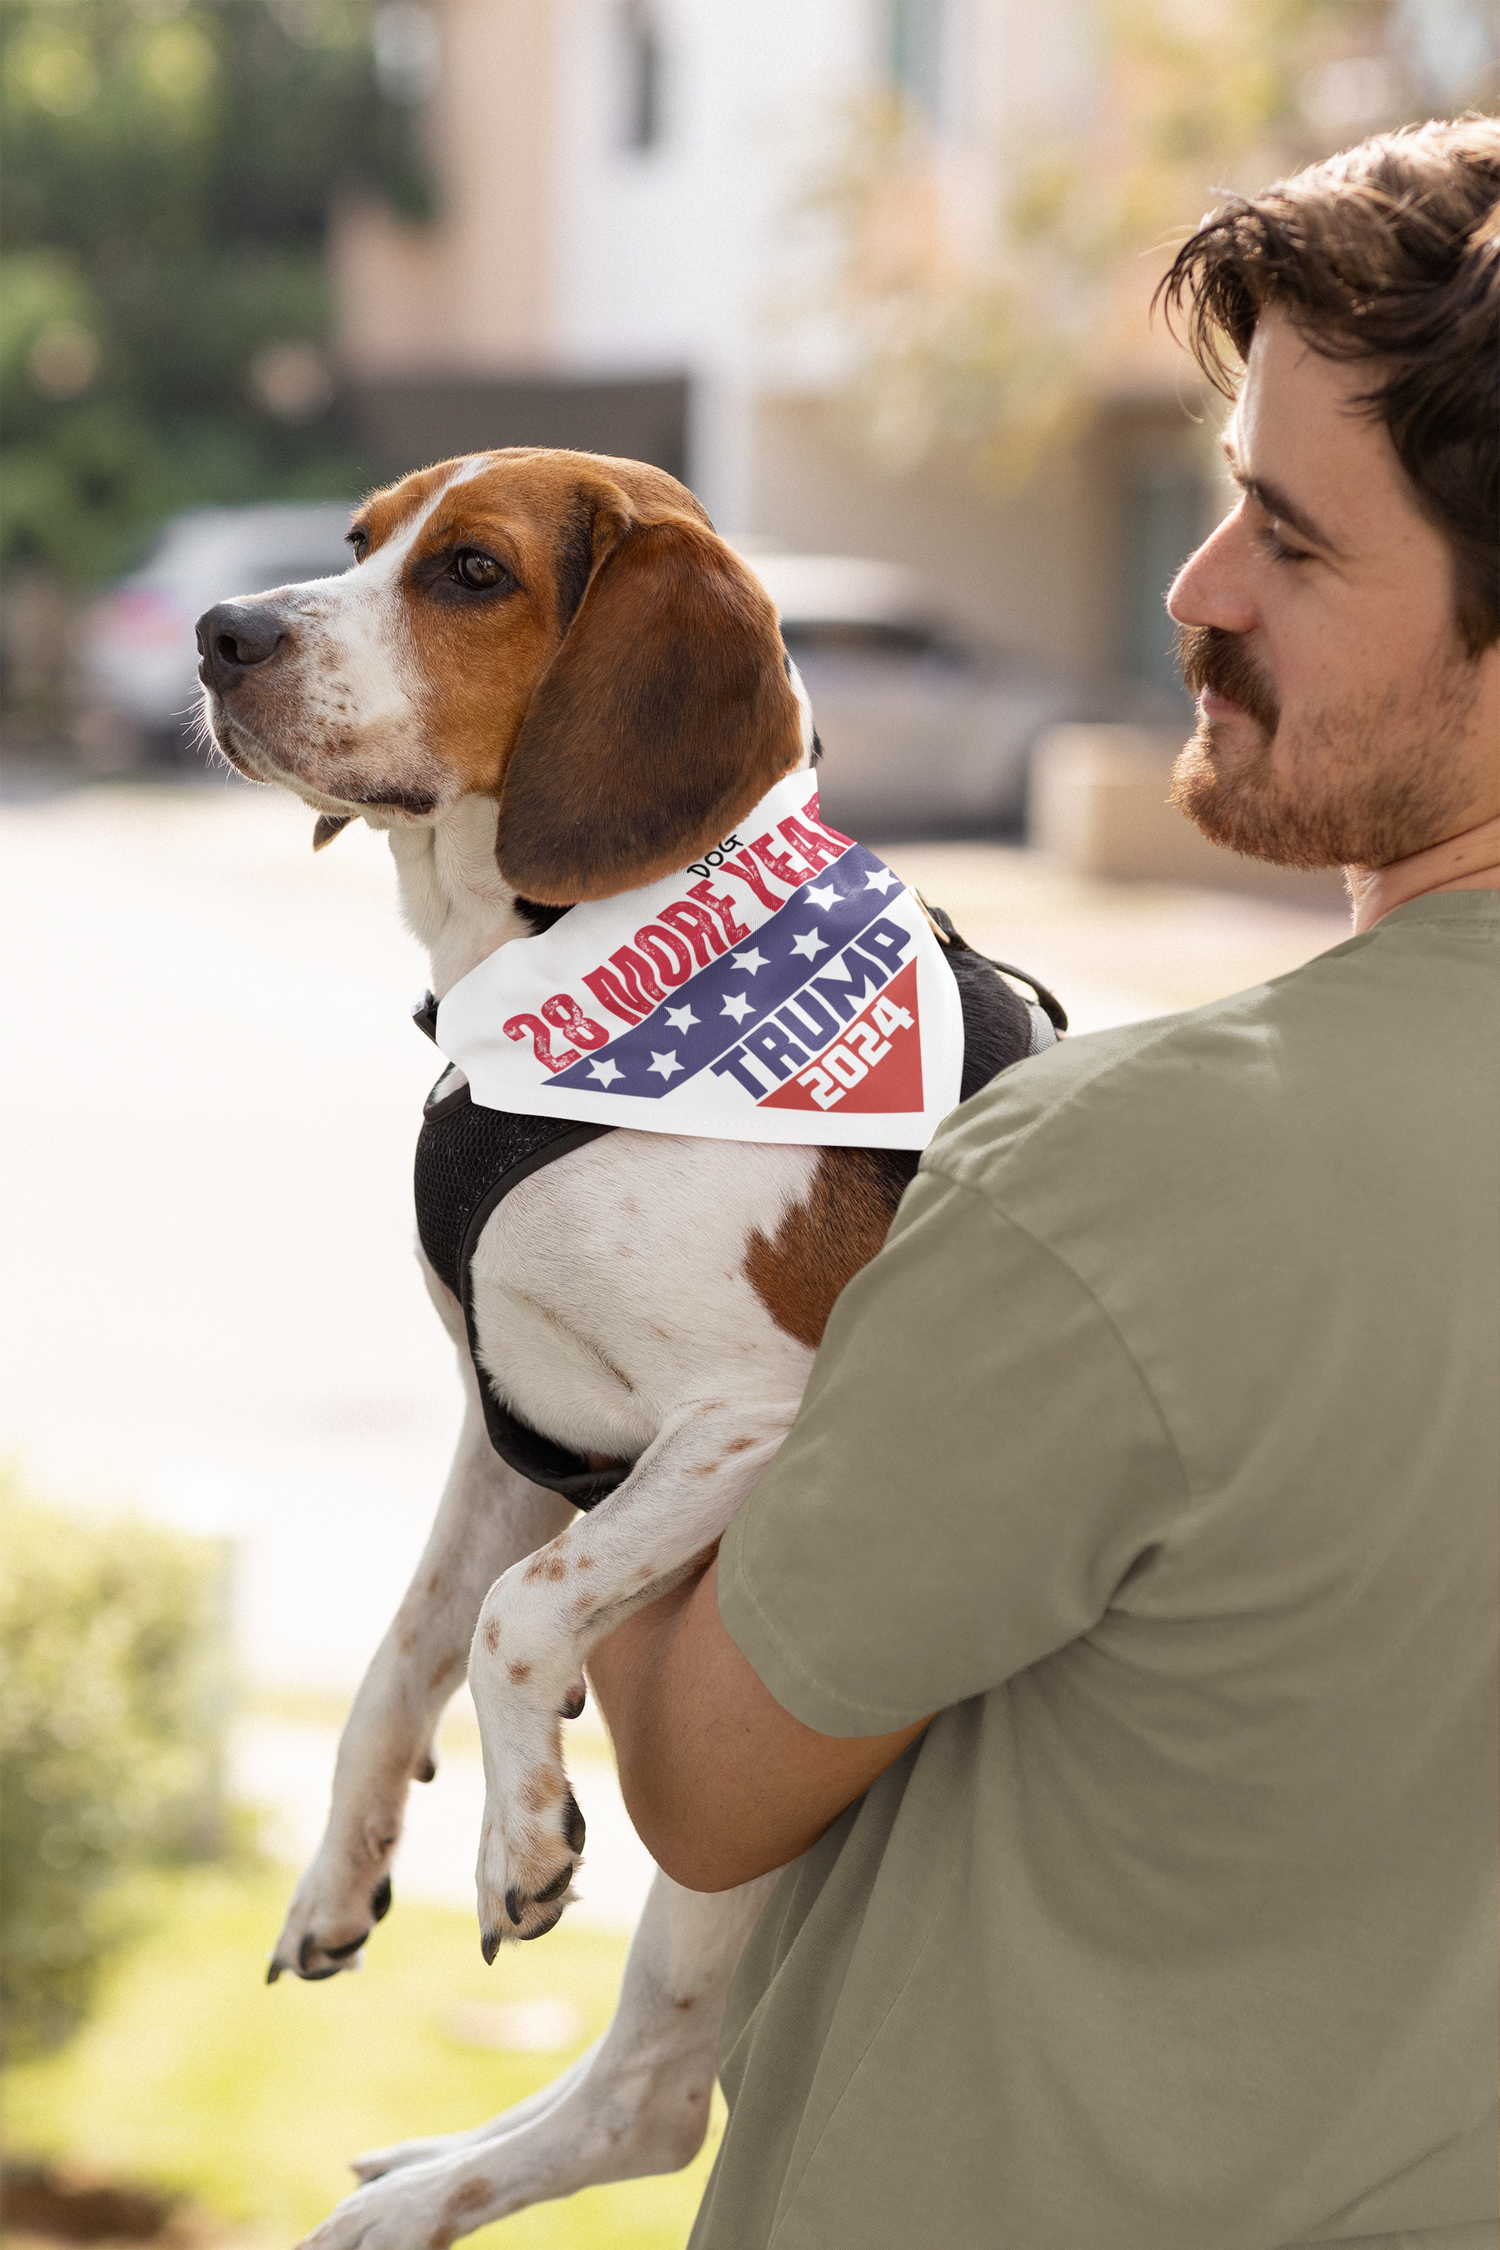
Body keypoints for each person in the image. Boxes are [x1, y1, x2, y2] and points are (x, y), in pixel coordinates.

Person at [588, 119, 1500, 2250]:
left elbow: (708, 1785)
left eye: (1290, 536)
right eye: (1221, 497)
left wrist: (566, 1242)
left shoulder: (1147, 1180)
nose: (1197, 589)